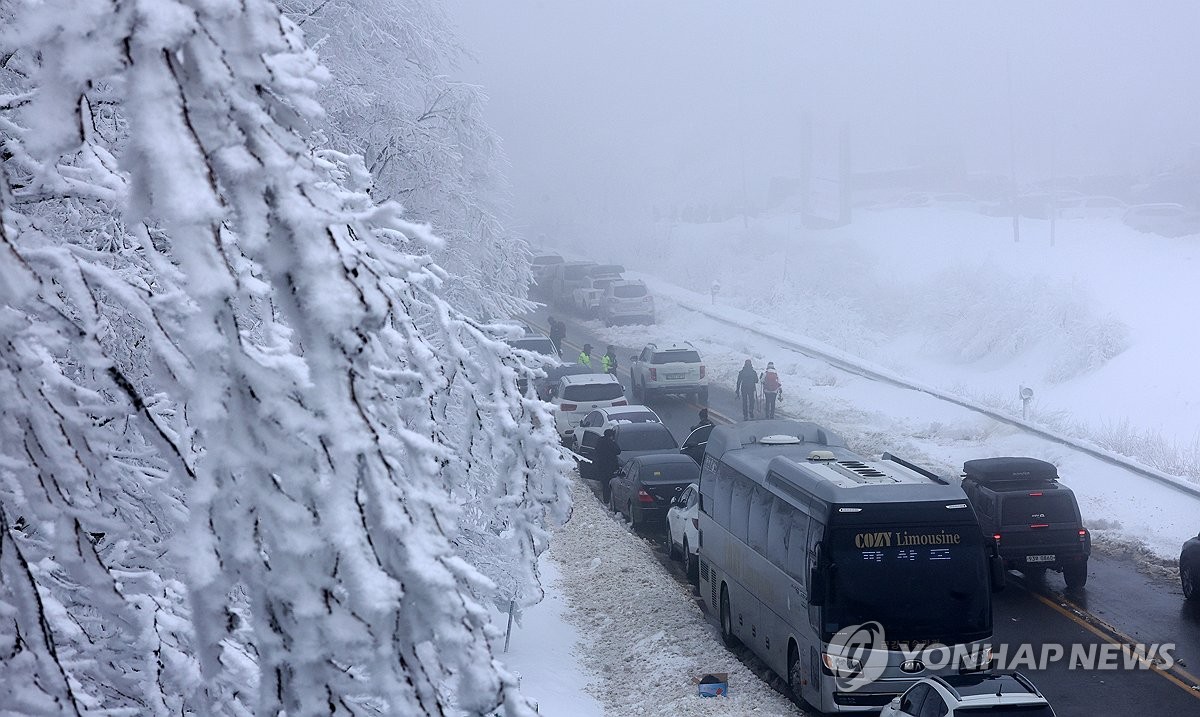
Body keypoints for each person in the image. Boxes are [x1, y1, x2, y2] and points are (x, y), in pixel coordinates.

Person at [594, 428, 622, 502]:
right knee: (611, 483)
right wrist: (613, 442)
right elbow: (618, 451)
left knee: (605, 483)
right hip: (610, 466)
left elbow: (596, 451)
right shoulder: (610, 442)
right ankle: (611, 500)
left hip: (601, 465)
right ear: (611, 436)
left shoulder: (599, 442)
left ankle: (606, 500)